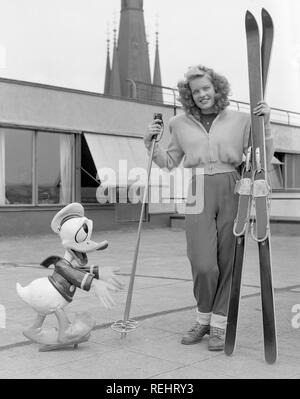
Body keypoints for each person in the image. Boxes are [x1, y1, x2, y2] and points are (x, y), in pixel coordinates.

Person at [143, 64, 274, 351]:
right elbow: (168, 161)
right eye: (195, 91)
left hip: (233, 186)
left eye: (206, 88)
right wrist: (150, 143)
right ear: (189, 95)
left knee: (229, 259)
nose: (202, 94)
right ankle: (203, 319)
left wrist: (264, 123)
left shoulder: (241, 119)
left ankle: (218, 325)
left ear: (217, 89)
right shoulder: (178, 123)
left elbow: (263, 156)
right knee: (202, 262)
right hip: (197, 188)